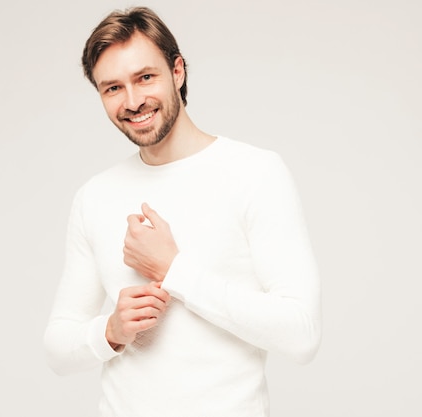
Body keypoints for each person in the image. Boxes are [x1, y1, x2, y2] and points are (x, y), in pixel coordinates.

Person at [44, 6, 321, 417]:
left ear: (177, 72)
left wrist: (175, 270)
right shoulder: (95, 196)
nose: (134, 101)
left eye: (145, 77)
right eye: (113, 88)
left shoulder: (254, 173)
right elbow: (58, 346)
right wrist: (111, 330)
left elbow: (302, 334)